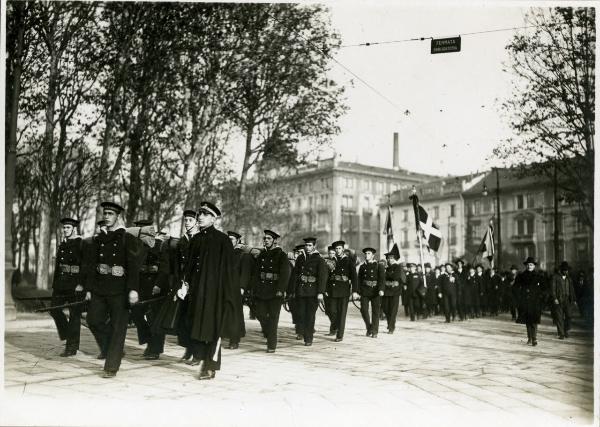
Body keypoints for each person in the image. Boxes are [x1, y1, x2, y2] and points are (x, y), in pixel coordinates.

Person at [85, 201, 141, 378]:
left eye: (111, 214)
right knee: (93, 320)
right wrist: (88, 288)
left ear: (118, 216)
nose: (107, 217)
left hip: (120, 289)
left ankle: (111, 366)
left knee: (118, 328)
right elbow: (92, 265)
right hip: (100, 288)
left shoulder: (127, 238)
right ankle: (114, 349)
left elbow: (133, 266)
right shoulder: (98, 239)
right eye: (105, 214)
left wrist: (133, 289)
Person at [182, 201, 237, 380]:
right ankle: (200, 355)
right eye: (200, 213)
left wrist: (228, 296)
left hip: (216, 294)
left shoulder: (222, 241)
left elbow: (229, 271)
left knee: (214, 330)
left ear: (214, 218)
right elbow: (190, 266)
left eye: (205, 214)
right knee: (198, 326)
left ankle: (210, 366)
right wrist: (185, 284)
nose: (200, 217)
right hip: (197, 293)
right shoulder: (196, 239)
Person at [129, 219, 170, 360]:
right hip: (139, 285)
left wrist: (158, 285)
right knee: (136, 313)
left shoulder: (159, 245)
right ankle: (148, 340)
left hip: (154, 286)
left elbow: (165, 268)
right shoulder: (134, 246)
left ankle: (155, 349)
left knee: (154, 318)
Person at [49, 217, 85, 357]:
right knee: (54, 309)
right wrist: (55, 285)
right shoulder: (62, 244)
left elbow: (85, 265)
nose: (65, 230)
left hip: (75, 284)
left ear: (74, 229)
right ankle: (66, 334)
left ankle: (72, 347)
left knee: (75, 316)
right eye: (64, 228)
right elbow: (58, 266)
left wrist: (81, 284)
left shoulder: (80, 243)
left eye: (68, 228)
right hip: (61, 283)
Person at [251, 230, 290, 353]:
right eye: (265, 238)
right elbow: (256, 273)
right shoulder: (262, 255)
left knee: (273, 318)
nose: (266, 240)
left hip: (274, 291)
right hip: (262, 290)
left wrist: (281, 290)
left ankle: (271, 345)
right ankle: (269, 332)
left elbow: (285, 274)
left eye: (269, 238)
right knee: (260, 314)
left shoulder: (281, 255)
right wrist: (254, 288)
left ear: (274, 241)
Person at [289, 237, 327, 346]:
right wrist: (292, 290)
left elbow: (322, 277)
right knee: (300, 314)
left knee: (310, 315)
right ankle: (303, 332)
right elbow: (295, 274)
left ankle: (308, 338)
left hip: (313, 291)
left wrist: (320, 292)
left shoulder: (319, 259)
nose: (307, 247)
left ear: (314, 246)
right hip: (301, 290)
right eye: (306, 245)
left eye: (310, 245)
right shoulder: (301, 258)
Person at [175, 209, 199, 362]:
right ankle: (189, 349)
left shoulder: (200, 239)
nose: (187, 223)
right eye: (186, 220)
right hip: (184, 285)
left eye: (190, 220)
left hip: (196, 284)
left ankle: (196, 352)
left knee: (195, 320)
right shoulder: (182, 241)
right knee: (183, 320)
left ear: (196, 222)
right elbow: (178, 265)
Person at [326, 240, 358, 342]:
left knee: (342, 313)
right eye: (336, 248)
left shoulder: (348, 261)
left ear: (343, 249)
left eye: (339, 248)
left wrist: (355, 291)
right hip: (332, 290)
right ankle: (335, 325)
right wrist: (325, 289)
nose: (338, 250)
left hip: (344, 290)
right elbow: (326, 277)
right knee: (331, 310)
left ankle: (340, 335)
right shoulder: (331, 261)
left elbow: (354, 277)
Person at [227, 231, 252, 350]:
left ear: (237, 241)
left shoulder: (242, 255)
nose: (229, 241)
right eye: (228, 239)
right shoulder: (224, 254)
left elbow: (245, 274)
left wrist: (242, 287)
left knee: (235, 314)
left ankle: (234, 339)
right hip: (224, 288)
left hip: (236, 289)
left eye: (231, 239)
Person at [515, 257, 544, 346]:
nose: (529, 266)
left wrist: (541, 297)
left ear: (534, 266)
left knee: (534, 321)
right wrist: (520, 296)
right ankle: (529, 338)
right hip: (525, 302)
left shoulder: (539, 276)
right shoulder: (521, 276)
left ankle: (534, 338)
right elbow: (516, 288)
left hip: (535, 302)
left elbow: (544, 289)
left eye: (531, 265)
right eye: (528, 265)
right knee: (528, 321)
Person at [358, 248, 385, 337]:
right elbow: (359, 280)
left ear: (373, 255)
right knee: (364, 310)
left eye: (369, 253)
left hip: (375, 291)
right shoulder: (362, 267)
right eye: (365, 253)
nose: (366, 255)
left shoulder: (379, 266)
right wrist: (358, 291)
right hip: (365, 291)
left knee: (375, 312)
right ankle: (369, 327)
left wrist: (381, 289)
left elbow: (382, 279)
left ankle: (374, 331)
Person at [550, 261, 575, 339]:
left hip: (567, 299)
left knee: (569, 316)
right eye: (564, 270)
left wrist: (574, 299)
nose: (566, 271)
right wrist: (555, 298)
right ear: (561, 270)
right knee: (559, 317)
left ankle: (566, 330)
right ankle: (561, 333)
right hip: (559, 299)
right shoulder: (555, 277)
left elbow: (572, 289)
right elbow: (552, 289)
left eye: (567, 270)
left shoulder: (569, 278)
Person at [381, 245, 404, 334]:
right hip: (386, 291)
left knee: (393, 310)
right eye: (388, 258)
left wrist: (387, 274)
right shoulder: (386, 268)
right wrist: (388, 273)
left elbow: (395, 276)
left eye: (391, 258)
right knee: (386, 308)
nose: (390, 260)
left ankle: (391, 327)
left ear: (394, 259)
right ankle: (389, 323)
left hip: (395, 291)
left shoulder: (398, 267)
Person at [288, 244, 306, 340]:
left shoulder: (306, 262)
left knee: (302, 311)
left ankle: (301, 331)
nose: (298, 254)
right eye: (297, 252)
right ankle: (299, 327)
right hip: (292, 291)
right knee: (294, 311)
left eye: (300, 252)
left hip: (304, 291)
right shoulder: (290, 262)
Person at [324, 246, 338, 335]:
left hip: (335, 289)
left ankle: (334, 328)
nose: (331, 255)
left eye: (333, 253)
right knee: (327, 311)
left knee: (333, 310)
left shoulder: (339, 262)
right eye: (330, 253)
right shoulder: (324, 261)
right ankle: (335, 326)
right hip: (326, 288)